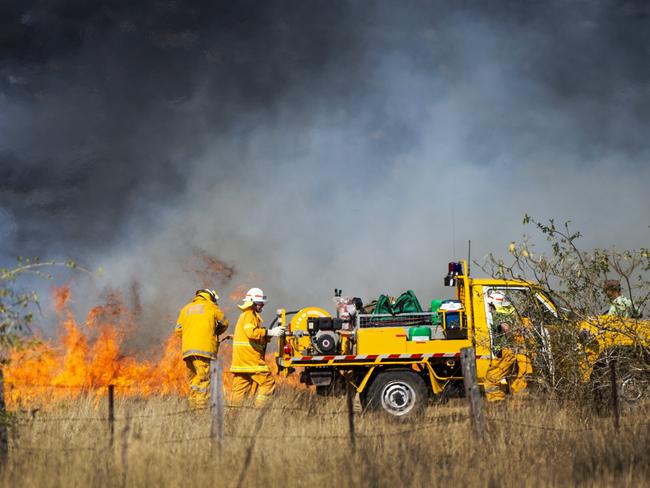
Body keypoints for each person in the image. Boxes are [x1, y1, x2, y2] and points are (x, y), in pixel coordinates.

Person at [229, 287, 286, 407]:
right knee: (268, 383)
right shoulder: (249, 315)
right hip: (250, 359)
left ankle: (233, 415)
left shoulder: (246, 316)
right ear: (252, 302)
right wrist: (270, 332)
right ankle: (259, 411)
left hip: (241, 360)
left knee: (240, 389)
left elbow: (254, 336)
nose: (262, 306)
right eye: (260, 303)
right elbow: (252, 333)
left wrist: (269, 335)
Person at [175, 289, 229, 408]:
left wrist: (189, 338)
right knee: (204, 381)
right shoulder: (211, 306)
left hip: (188, 352)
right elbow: (225, 322)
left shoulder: (186, 309)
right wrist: (215, 332)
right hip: (204, 351)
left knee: (194, 382)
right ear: (211, 297)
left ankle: (193, 407)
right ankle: (201, 409)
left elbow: (178, 329)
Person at [484, 291, 531, 402]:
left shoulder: (498, 314)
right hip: (518, 352)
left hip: (506, 352)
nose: (489, 308)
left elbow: (505, 328)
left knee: (491, 378)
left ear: (495, 304)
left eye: (490, 305)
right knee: (516, 379)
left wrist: (510, 334)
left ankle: (497, 401)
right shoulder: (513, 313)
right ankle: (520, 403)